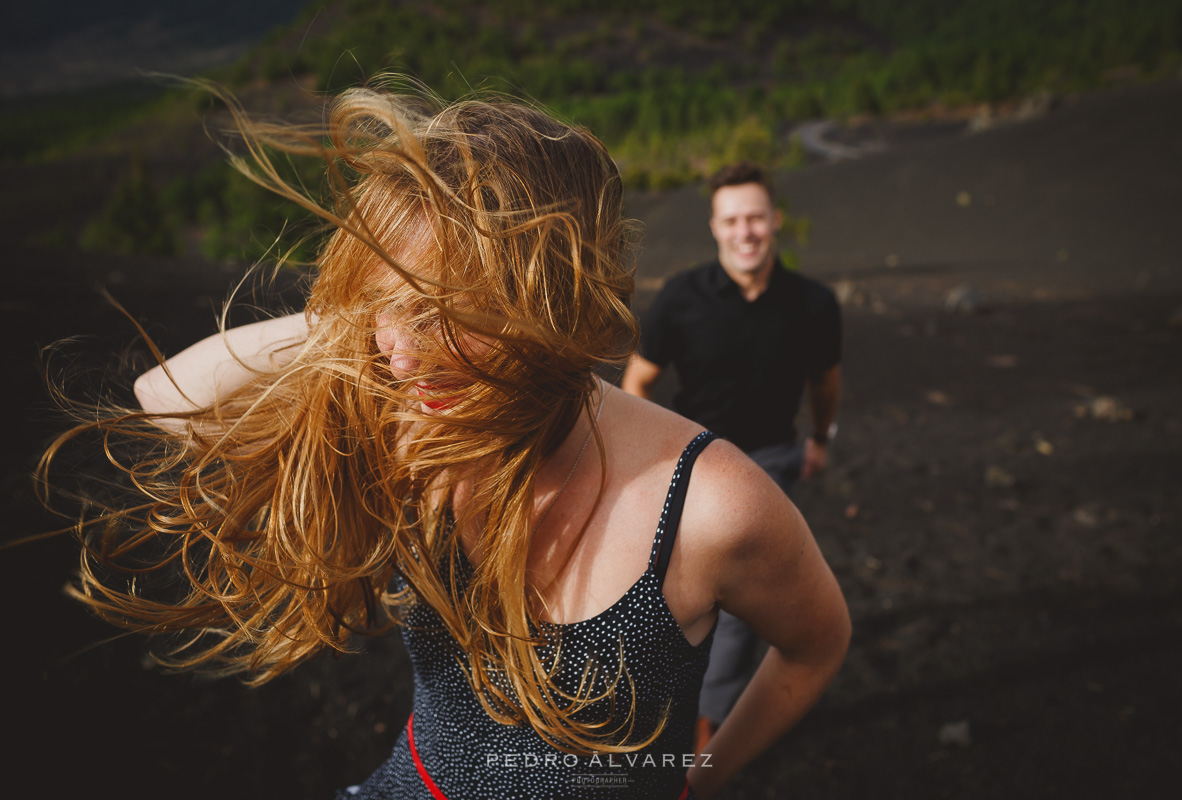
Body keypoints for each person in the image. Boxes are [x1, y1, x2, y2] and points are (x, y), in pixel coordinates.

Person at [43, 86, 849, 799]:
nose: (399, 354)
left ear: (553, 299)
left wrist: (700, 784)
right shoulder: (417, 431)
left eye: (445, 314)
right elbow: (167, 402)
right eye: (388, 311)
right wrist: (353, 315)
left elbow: (817, 645)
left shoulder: (714, 507)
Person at [621, 162, 843, 746]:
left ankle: (705, 723)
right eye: (732, 220)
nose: (745, 231)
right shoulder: (681, 298)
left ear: (775, 222)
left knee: (744, 610)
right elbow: (637, 381)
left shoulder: (814, 304)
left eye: (756, 218)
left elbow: (825, 383)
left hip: (770, 461)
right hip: (689, 466)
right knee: (671, 588)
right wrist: (646, 460)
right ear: (715, 227)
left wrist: (820, 439)